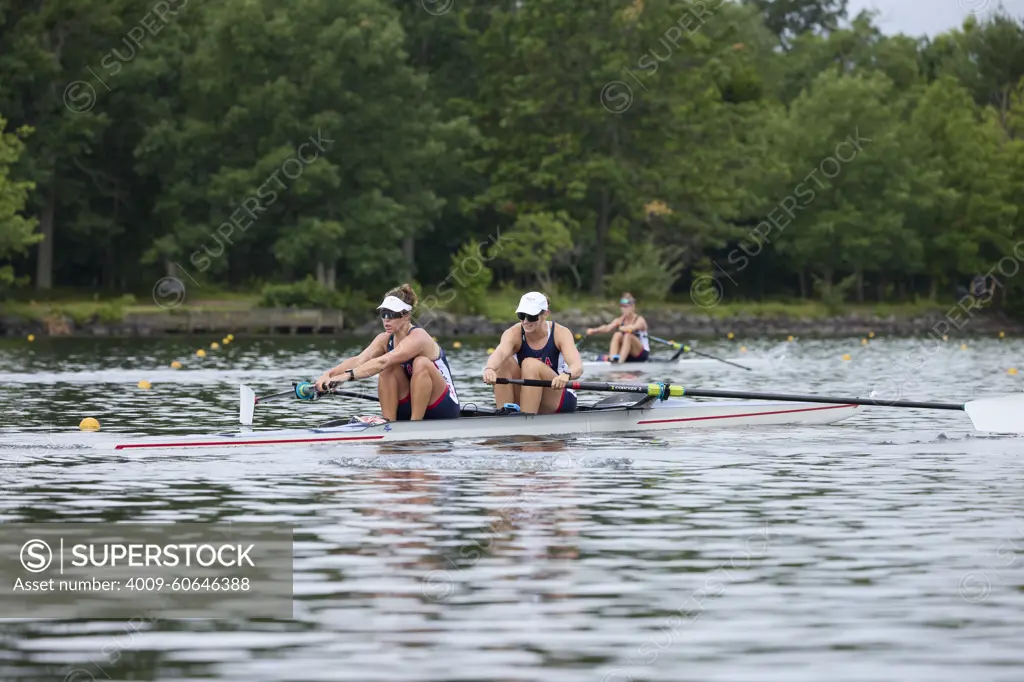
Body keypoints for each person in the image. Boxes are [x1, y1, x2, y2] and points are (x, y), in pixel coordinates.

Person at [314, 284, 460, 421]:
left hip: (442, 406)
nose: (386, 320)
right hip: (410, 402)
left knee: (419, 363)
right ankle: (388, 424)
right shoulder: (384, 339)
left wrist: (345, 377)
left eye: (392, 314)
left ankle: (415, 425)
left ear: (406, 315)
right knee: (387, 369)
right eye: (383, 313)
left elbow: (383, 361)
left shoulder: (418, 337)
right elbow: (360, 360)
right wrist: (328, 376)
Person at [482, 291, 584, 414]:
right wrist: (489, 369)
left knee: (530, 364)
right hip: (528, 394)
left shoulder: (560, 333)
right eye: (521, 315)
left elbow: (577, 367)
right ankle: (505, 415)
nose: (525, 321)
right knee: (502, 363)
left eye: (531, 316)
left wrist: (566, 375)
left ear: (546, 314)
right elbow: (500, 353)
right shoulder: (513, 333)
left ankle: (526, 421)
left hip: (558, 396)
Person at [584, 292, 650, 363]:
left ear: (632, 307)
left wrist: (623, 328)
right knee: (617, 335)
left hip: (640, 354)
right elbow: (607, 328)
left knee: (628, 336)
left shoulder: (640, 320)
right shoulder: (619, 320)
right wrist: (594, 330)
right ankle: (612, 359)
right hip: (627, 354)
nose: (623, 309)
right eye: (622, 306)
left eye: (626, 306)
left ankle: (620, 362)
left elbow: (632, 327)